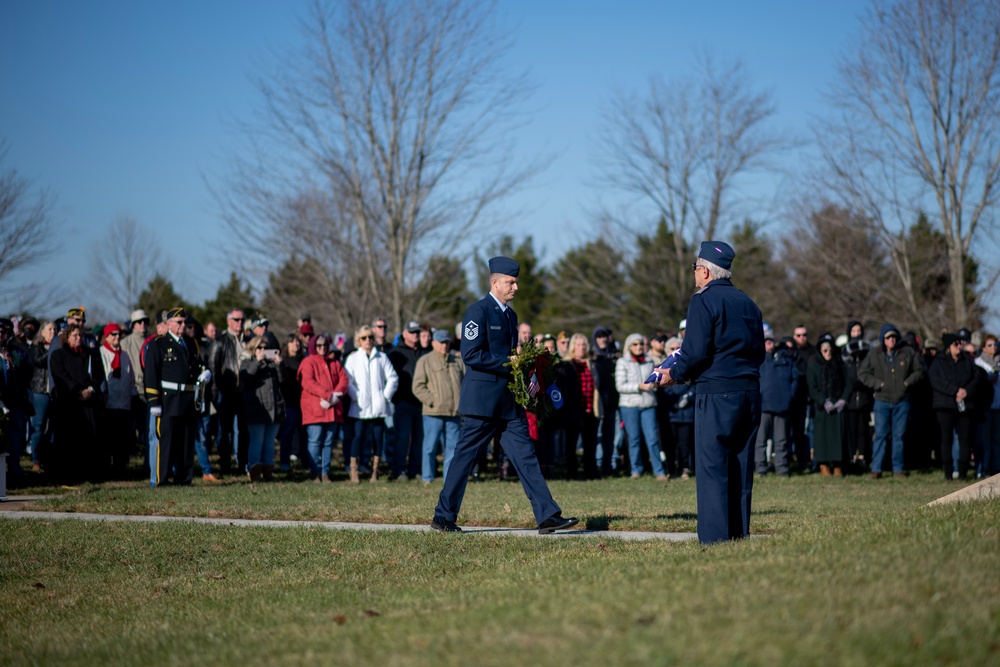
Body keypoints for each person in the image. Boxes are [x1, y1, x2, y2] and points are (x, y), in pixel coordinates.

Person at [430, 256, 578, 534]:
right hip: (482, 403)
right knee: (465, 459)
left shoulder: (510, 316)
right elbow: (471, 354)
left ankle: (547, 515)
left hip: (509, 405)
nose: (515, 288)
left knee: (526, 458)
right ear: (495, 282)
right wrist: (509, 362)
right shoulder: (478, 311)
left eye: (516, 282)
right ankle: (443, 516)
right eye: (510, 282)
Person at [655, 241, 764, 544]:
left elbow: (695, 352)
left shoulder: (703, 300)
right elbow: (760, 351)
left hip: (717, 393)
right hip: (750, 391)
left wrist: (673, 375)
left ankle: (715, 539)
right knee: (741, 467)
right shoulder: (748, 303)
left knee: (713, 466)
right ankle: (738, 533)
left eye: (695, 268)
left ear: (703, 270)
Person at [144, 307, 209, 487]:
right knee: (166, 442)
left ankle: (184, 479)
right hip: (168, 399)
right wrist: (154, 401)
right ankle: (161, 479)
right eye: (179, 322)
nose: (183, 326)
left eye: (184, 322)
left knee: (186, 442)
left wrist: (203, 373)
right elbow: (151, 374)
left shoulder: (189, 343)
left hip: (187, 399)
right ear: (169, 324)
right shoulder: (159, 344)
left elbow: (194, 366)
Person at [858, 324, 924, 478]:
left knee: (899, 435)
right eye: (888, 337)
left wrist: (907, 383)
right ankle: (876, 469)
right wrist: (878, 384)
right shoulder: (874, 354)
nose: (892, 340)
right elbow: (863, 373)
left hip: (902, 401)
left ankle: (898, 469)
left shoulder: (907, 353)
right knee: (880, 435)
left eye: (894, 337)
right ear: (883, 339)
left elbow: (919, 371)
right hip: (882, 400)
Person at [48, 323, 105, 483]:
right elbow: (61, 375)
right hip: (69, 403)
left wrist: (91, 390)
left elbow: (98, 375)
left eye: (80, 336)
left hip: (89, 402)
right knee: (69, 440)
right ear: (67, 337)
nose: (79, 339)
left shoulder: (89, 354)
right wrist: (77, 391)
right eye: (75, 336)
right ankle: (69, 475)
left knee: (90, 439)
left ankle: (90, 474)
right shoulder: (58, 355)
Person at [345, 325, 398, 482]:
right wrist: (356, 396)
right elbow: (348, 381)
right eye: (364, 338)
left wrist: (385, 396)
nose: (368, 340)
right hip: (360, 407)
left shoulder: (381, 357)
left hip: (378, 407)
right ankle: (354, 470)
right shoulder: (353, 358)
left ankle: (375, 471)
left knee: (377, 438)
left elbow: (393, 377)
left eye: (370, 337)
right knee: (357, 437)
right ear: (359, 340)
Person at [412, 328, 466, 484]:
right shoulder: (425, 361)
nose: (444, 346)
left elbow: (465, 383)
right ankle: (427, 477)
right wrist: (432, 400)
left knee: (452, 449)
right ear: (434, 343)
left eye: (447, 342)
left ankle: (448, 479)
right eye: (441, 343)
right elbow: (417, 386)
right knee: (429, 447)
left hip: (454, 413)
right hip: (433, 412)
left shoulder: (457, 362)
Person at [615, 333, 668, 480]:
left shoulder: (649, 361)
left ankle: (659, 471)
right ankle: (636, 469)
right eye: (635, 344)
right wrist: (639, 386)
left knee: (652, 439)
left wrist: (654, 385)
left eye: (640, 344)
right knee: (634, 439)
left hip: (648, 404)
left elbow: (653, 382)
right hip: (629, 405)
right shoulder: (622, 362)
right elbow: (620, 386)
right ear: (629, 346)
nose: (639, 347)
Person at [298, 333, 349, 482]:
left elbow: (344, 379)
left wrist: (335, 397)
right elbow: (308, 383)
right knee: (315, 441)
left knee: (328, 442)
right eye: (319, 345)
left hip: (332, 409)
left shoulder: (334, 362)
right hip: (315, 409)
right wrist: (328, 395)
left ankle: (325, 472)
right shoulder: (307, 362)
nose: (322, 348)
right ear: (313, 346)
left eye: (325, 345)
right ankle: (314, 472)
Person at [239, 335, 285, 482]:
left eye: (266, 348)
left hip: (274, 407)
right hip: (256, 408)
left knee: (269, 441)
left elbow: (283, 381)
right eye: (260, 347)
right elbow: (246, 378)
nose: (263, 350)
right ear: (253, 349)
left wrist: (279, 365)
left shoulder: (272, 364)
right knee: (257, 440)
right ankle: (254, 471)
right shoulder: (247, 362)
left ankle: (268, 470)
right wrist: (257, 362)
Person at [755, 327, 798, 477]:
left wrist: (789, 397)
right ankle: (761, 468)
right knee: (761, 440)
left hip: (782, 406)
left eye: (770, 340)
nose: (768, 343)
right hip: (763, 406)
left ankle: (782, 468)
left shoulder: (785, 359)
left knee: (781, 440)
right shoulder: (757, 360)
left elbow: (795, 380)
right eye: (765, 340)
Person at [807, 333, 851, 476]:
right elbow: (812, 387)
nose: (828, 353)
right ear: (820, 350)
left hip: (838, 405)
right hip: (822, 408)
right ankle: (823, 464)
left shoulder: (840, 364)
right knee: (822, 438)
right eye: (825, 350)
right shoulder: (814, 365)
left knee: (838, 437)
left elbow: (848, 383)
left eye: (830, 350)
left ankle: (838, 464)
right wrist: (823, 401)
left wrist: (842, 400)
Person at [388, 320, 426, 481]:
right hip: (403, 402)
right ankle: (399, 470)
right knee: (402, 438)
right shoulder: (396, 353)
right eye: (412, 332)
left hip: (422, 403)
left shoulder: (425, 352)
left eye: (417, 332)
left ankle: (414, 469)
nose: (415, 335)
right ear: (404, 334)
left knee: (419, 439)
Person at [98, 322, 137, 478]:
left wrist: (133, 394)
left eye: (118, 334)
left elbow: (130, 376)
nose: (116, 337)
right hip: (110, 403)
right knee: (109, 438)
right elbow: (102, 376)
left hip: (124, 402)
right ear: (106, 337)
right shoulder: (102, 352)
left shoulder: (124, 355)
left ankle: (121, 467)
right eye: (113, 334)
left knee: (123, 438)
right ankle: (107, 467)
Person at [26, 320, 54, 472]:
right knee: (38, 427)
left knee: (51, 430)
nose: (53, 332)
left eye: (54, 329)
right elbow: (38, 362)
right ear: (42, 332)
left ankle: (47, 458)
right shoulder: (36, 348)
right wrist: (52, 350)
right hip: (40, 391)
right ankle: (35, 459)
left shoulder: (56, 348)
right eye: (49, 329)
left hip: (53, 392)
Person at [277, 333, 306, 473]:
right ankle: (284, 463)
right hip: (289, 402)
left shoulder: (303, 360)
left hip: (303, 402)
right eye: (293, 342)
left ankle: (306, 461)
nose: (297, 344)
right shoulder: (283, 360)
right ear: (287, 344)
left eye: (298, 342)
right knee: (287, 434)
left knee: (303, 434)